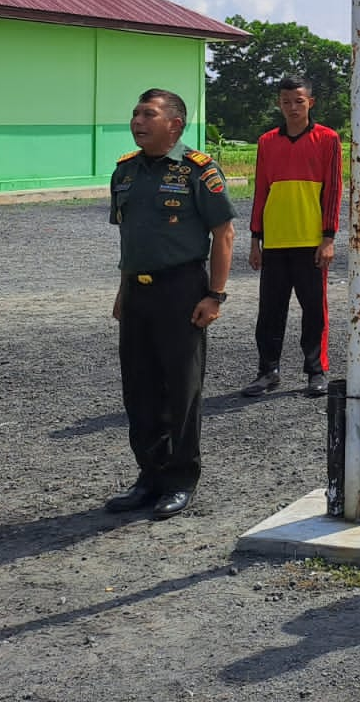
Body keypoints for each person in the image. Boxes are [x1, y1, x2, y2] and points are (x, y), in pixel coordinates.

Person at [106, 88, 235, 520]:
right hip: (137, 294)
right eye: (136, 112)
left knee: (181, 390)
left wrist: (214, 295)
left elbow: (224, 234)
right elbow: (131, 237)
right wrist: (124, 290)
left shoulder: (198, 170)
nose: (138, 120)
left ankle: (181, 480)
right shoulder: (125, 172)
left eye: (149, 114)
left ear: (175, 125)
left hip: (182, 291)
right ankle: (149, 476)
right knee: (138, 389)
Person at [243, 75, 343, 399]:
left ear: (310, 103)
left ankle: (316, 371)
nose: (292, 107)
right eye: (286, 101)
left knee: (314, 309)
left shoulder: (328, 140)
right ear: (279, 104)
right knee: (270, 311)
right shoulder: (267, 141)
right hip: (275, 242)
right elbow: (261, 191)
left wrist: (328, 238)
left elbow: (333, 192)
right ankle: (267, 371)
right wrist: (255, 239)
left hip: (311, 241)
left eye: (299, 101)